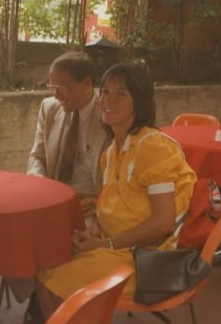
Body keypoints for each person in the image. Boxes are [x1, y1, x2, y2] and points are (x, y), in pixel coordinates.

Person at [36, 62, 197, 319]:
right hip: (115, 248)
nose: (108, 100)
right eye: (106, 92)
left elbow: (163, 223)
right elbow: (113, 207)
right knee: (45, 263)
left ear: (140, 102)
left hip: (144, 260)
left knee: (53, 279)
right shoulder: (113, 150)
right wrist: (93, 230)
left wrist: (104, 243)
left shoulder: (153, 147)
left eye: (121, 93)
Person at [20, 51, 109, 323]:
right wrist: (41, 185)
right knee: (17, 232)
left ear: (87, 84)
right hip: (50, 196)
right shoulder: (49, 107)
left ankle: (52, 300)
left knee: (50, 241)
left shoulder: (108, 116)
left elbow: (117, 174)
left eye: (63, 87)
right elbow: (36, 156)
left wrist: (101, 201)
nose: (57, 93)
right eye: (52, 86)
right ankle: (41, 294)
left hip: (88, 203)